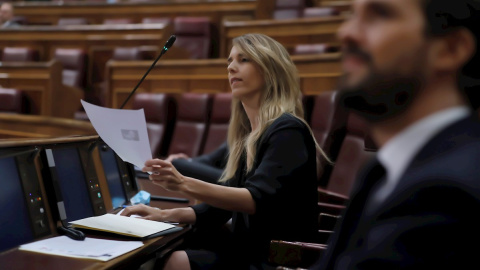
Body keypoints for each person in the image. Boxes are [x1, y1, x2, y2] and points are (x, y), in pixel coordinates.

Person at [122, 33, 327, 269]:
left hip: (274, 260)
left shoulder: (288, 131)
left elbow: (255, 200)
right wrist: (165, 215)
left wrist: (182, 183)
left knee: (171, 261)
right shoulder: (249, 136)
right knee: (165, 254)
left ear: (270, 69)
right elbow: (220, 208)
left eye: (243, 60)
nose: (231, 67)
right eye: (229, 61)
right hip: (247, 250)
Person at [310, 0, 480, 269]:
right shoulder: (383, 170)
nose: (346, 32)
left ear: (451, 49)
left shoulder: (447, 194)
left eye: (380, 13)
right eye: (353, 15)